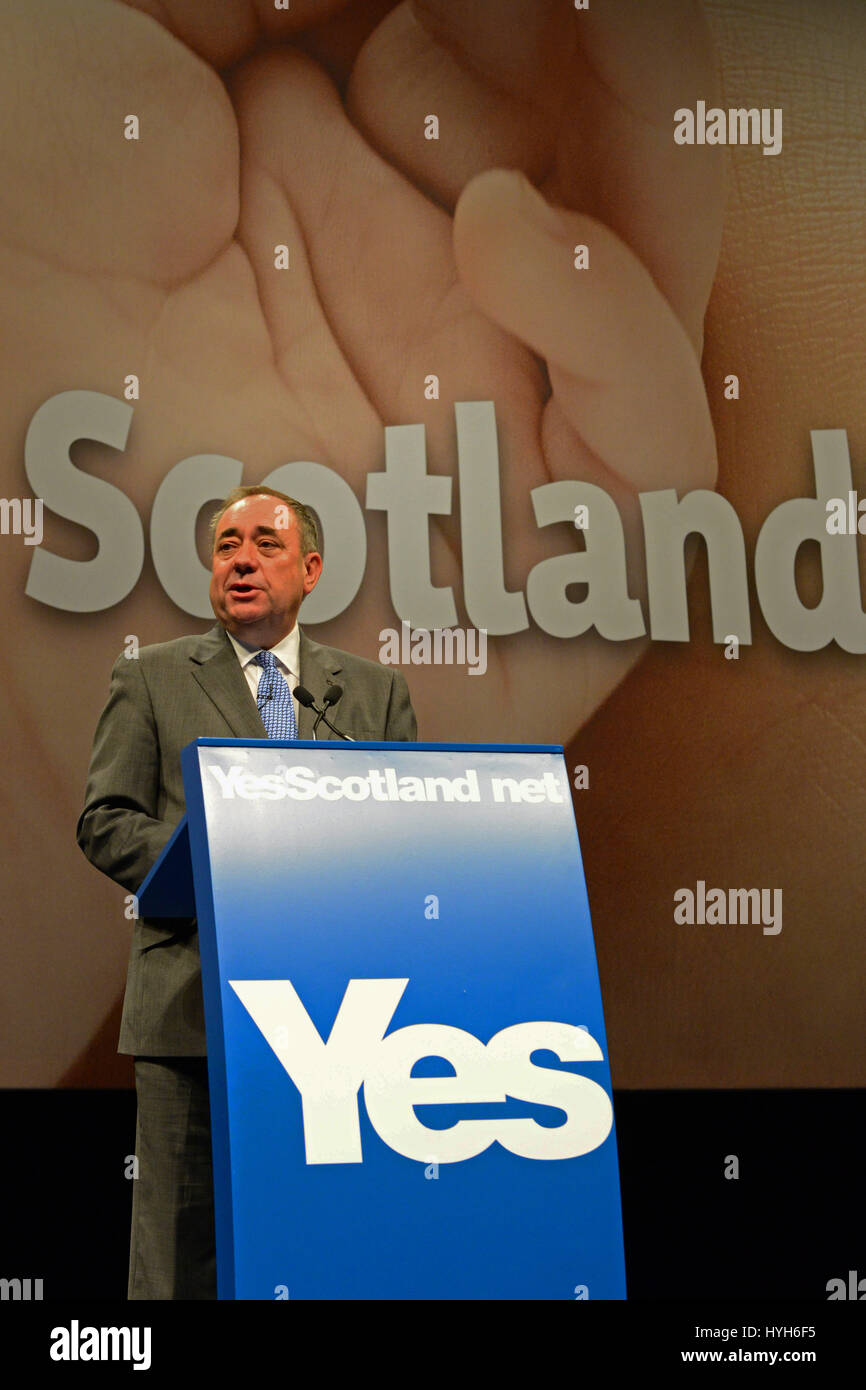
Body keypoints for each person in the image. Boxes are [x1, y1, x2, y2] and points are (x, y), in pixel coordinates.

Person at [76, 484, 417, 1299]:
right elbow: (105, 818)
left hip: (342, 1016)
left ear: (310, 569)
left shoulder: (372, 695)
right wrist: (228, 850)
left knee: (324, 1239)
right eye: (227, 545)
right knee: (177, 1256)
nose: (241, 559)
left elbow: (410, 831)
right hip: (190, 1008)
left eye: (265, 543)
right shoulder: (152, 678)